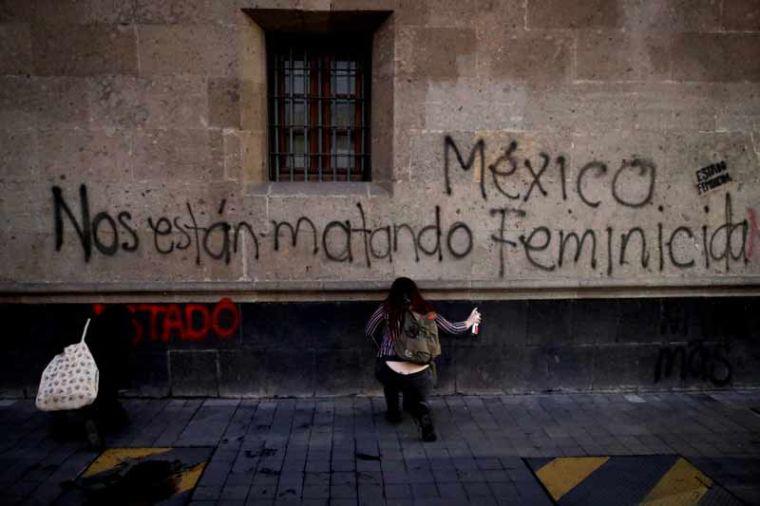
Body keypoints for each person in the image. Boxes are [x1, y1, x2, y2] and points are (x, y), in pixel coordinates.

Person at [365, 277, 481, 442]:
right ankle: (421, 411)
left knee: (390, 379)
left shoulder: (386, 309)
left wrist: (381, 350)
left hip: (389, 368)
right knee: (416, 391)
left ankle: (394, 413)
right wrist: (470, 321)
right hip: (419, 369)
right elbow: (452, 329)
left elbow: (369, 331)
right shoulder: (427, 311)